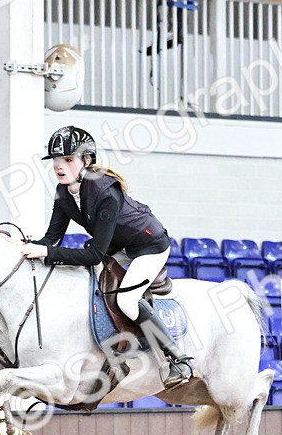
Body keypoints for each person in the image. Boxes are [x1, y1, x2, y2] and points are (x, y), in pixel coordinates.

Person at [19, 125, 193, 390]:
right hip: (118, 247)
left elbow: (94, 255)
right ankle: (114, 353)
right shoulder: (64, 191)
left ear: (86, 161)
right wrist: (21, 246)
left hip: (148, 246)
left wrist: (46, 252)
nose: (58, 166)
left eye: (67, 159)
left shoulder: (105, 193)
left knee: (126, 300)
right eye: (55, 160)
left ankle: (177, 359)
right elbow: (51, 238)